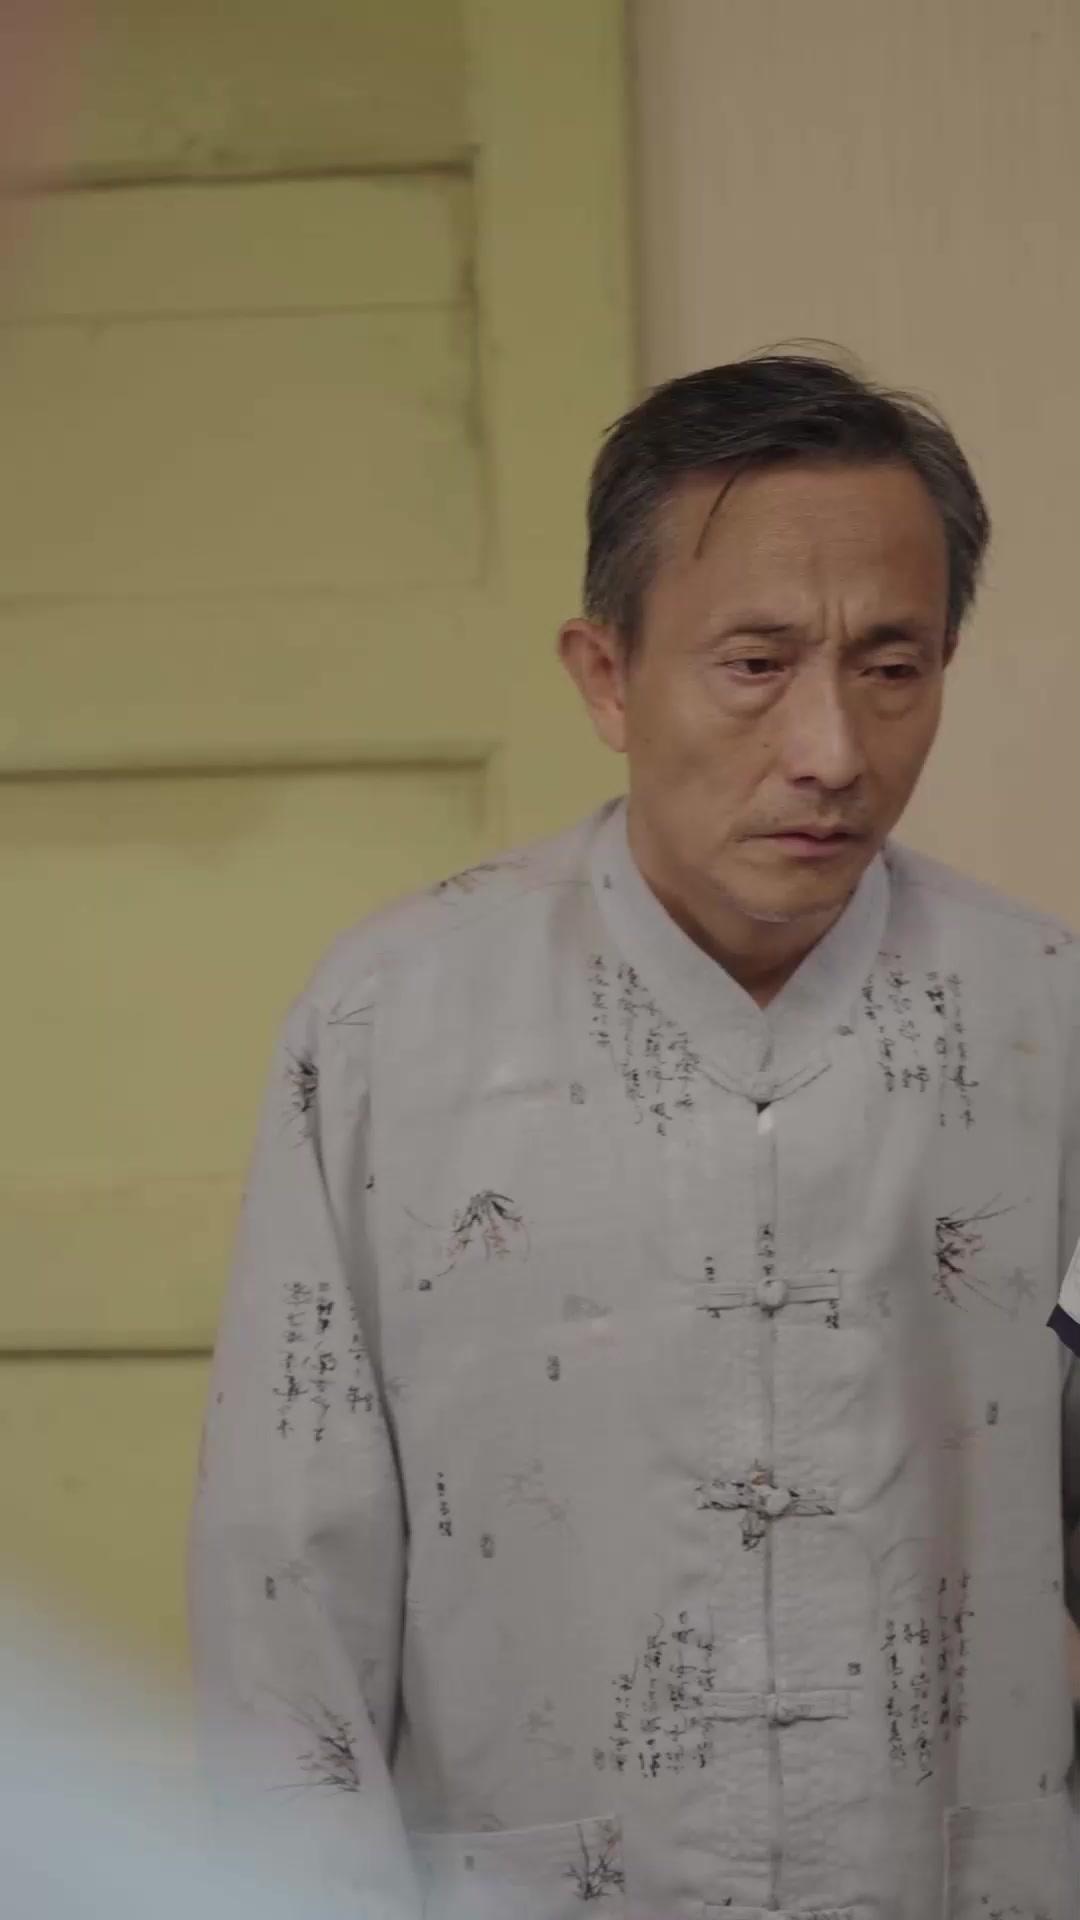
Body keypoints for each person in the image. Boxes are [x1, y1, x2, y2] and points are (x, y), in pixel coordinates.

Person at [190, 353, 1080, 1920]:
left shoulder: (1048, 1023)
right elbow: (286, 1605)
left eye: (892, 666)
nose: (832, 750)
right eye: (755, 664)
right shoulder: (394, 1027)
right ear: (607, 675)